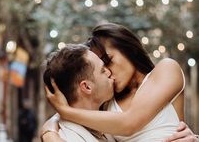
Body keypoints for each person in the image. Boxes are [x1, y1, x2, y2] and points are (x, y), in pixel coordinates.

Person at [43, 23, 199, 141]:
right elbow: (66, 114)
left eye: (108, 61)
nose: (108, 72)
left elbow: (129, 123)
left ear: (129, 49)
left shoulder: (167, 69)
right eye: (102, 68)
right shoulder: (107, 100)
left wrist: (66, 112)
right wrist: (49, 133)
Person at [41, 44, 116, 142]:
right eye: (102, 70)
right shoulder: (68, 138)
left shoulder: (105, 116)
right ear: (86, 87)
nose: (109, 72)